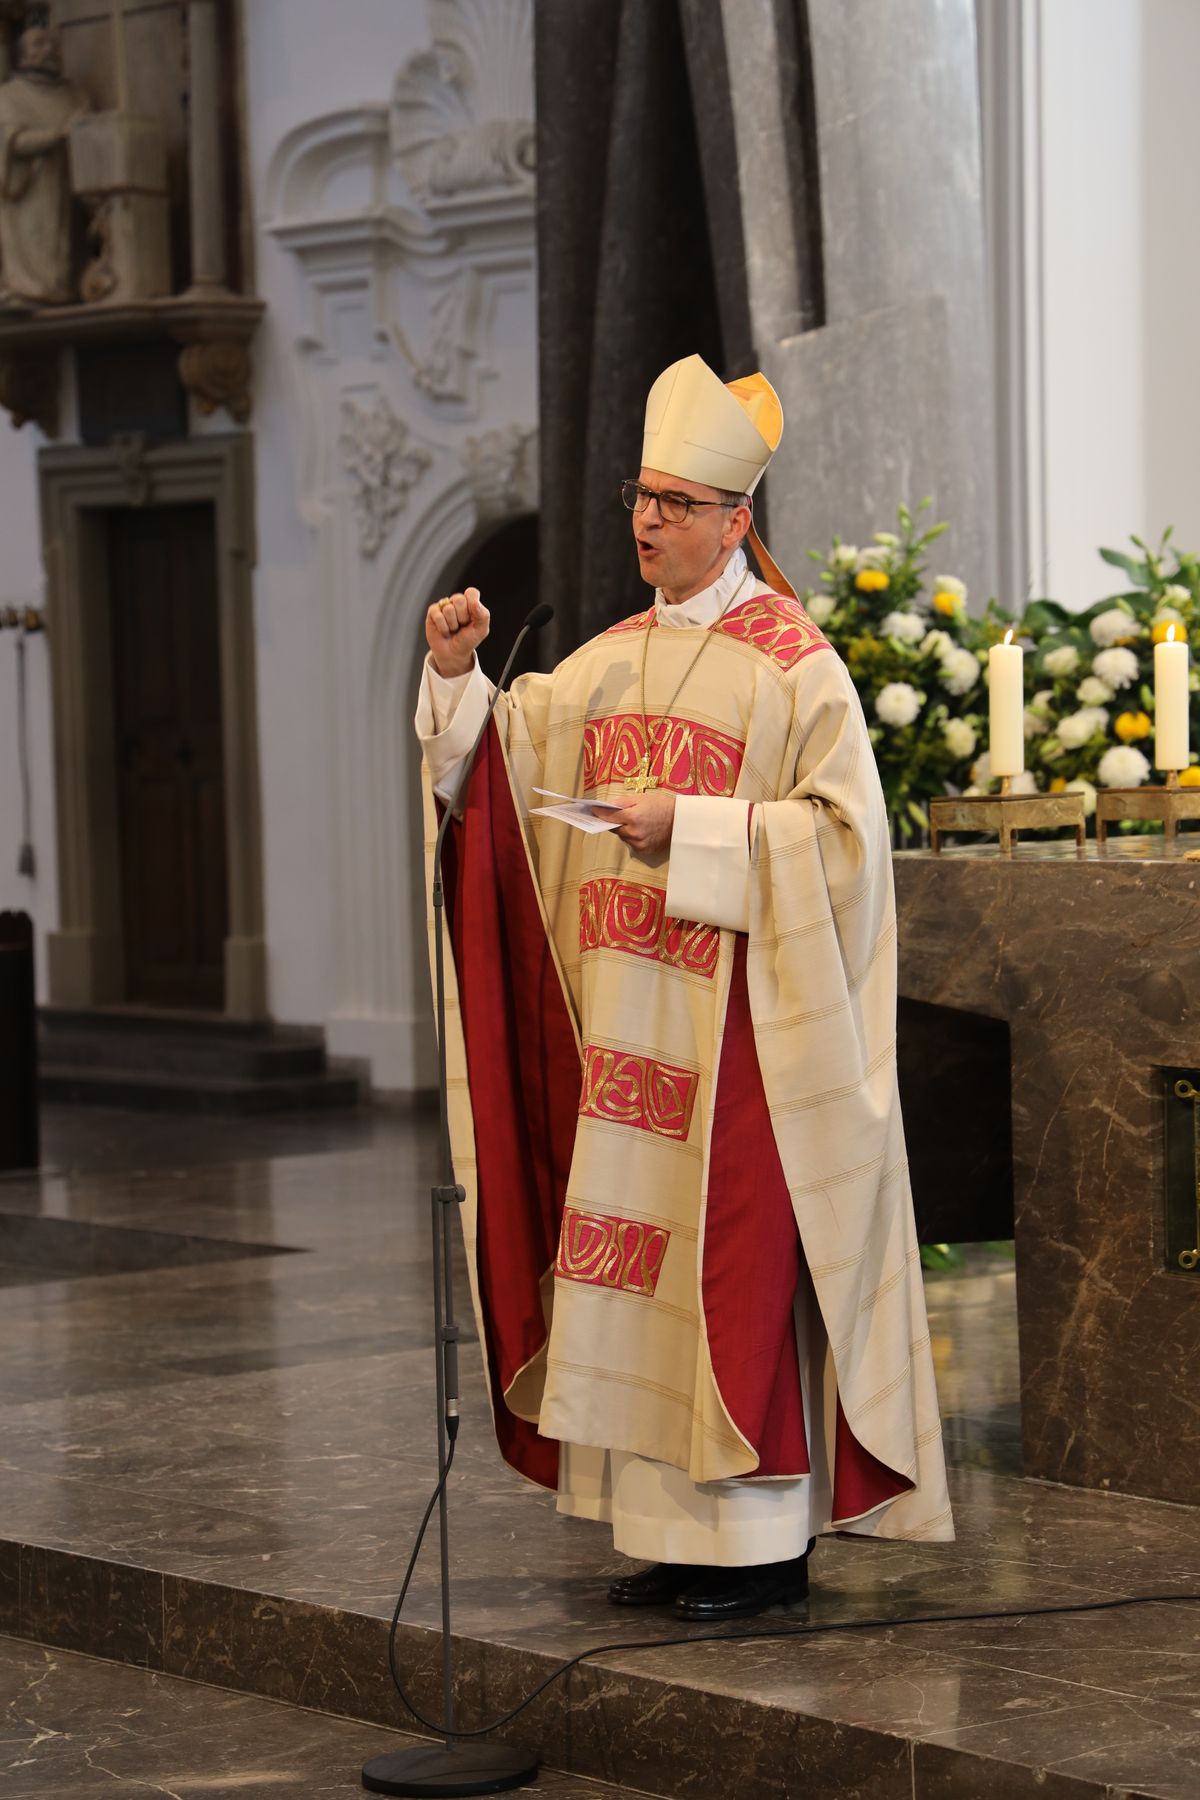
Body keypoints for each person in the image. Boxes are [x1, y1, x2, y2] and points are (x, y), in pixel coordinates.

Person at [415, 354, 952, 1621]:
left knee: (729, 1280)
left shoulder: (795, 668)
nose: (648, 521)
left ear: (735, 519)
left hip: (742, 1034)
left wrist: (697, 828)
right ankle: (667, 1539)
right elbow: (497, 778)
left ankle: (760, 1551)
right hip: (625, 1036)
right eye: (640, 498)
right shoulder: (604, 661)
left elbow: (845, 845)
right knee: (631, 1283)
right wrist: (455, 681)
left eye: (674, 502)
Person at [0, 25, 87, 310]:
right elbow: (13, 144)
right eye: (39, 44)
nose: (49, 49)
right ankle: (26, 288)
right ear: (21, 58)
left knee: (63, 244)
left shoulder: (74, 95)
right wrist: (59, 135)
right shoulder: (8, 95)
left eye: (54, 45)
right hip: (28, 190)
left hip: (67, 185)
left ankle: (61, 289)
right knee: (35, 239)